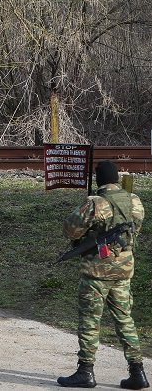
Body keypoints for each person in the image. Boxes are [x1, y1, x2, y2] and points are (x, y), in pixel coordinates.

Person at [57, 160, 148, 389]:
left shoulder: (95, 203)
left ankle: (85, 372)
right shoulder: (134, 200)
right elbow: (135, 229)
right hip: (124, 270)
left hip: (97, 271)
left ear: (99, 180)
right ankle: (138, 372)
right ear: (116, 178)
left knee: (90, 320)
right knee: (125, 319)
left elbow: (70, 229)